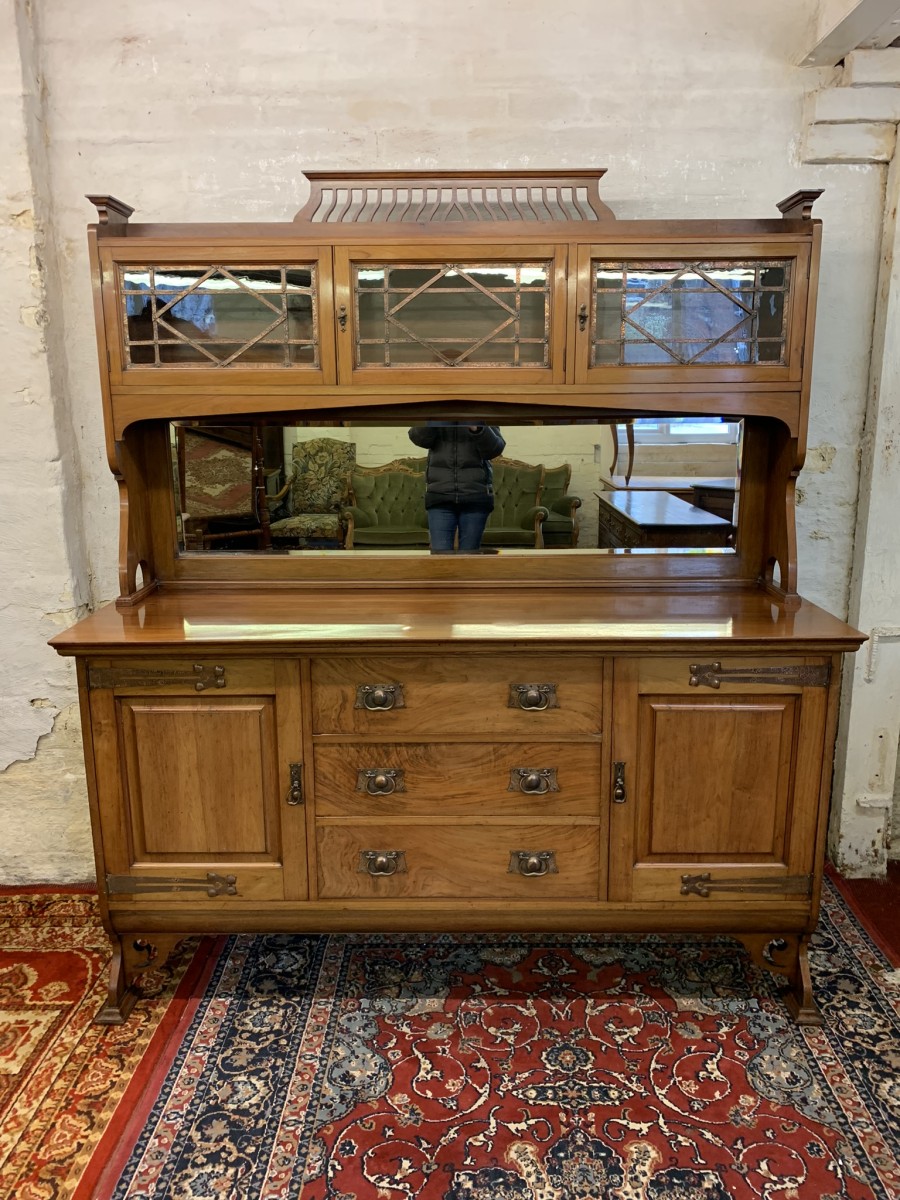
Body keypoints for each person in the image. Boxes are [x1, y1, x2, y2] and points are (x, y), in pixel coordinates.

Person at [408, 422, 506, 552]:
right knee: (440, 557)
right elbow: (418, 438)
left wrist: (477, 428)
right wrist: (435, 419)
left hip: (474, 495)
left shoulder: (480, 413)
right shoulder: (435, 413)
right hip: (440, 495)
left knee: (469, 557)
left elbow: (495, 449)